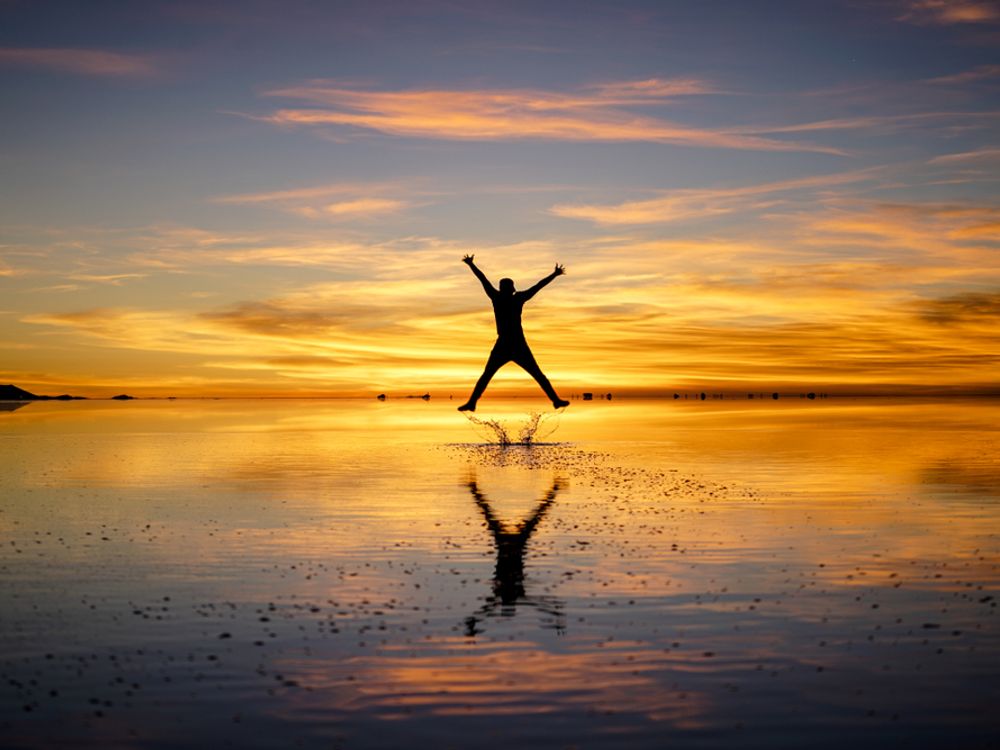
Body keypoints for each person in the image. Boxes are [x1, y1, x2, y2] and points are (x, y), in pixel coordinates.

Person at [458, 254, 570, 412]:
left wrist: (471, 264)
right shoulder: (511, 298)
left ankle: (556, 400)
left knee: (533, 374)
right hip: (510, 344)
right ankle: (471, 403)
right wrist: (554, 274)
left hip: (513, 344)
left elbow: (537, 286)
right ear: (511, 288)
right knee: (490, 375)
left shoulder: (502, 297)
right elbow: (483, 279)